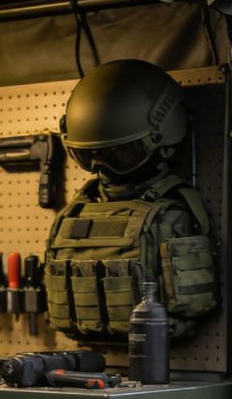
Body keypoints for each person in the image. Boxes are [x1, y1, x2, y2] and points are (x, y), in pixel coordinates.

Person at [44, 58, 217, 340]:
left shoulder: (174, 208)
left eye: (120, 156)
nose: (102, 169)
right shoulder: (77, 210)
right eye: (87, 158)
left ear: (164, 138)